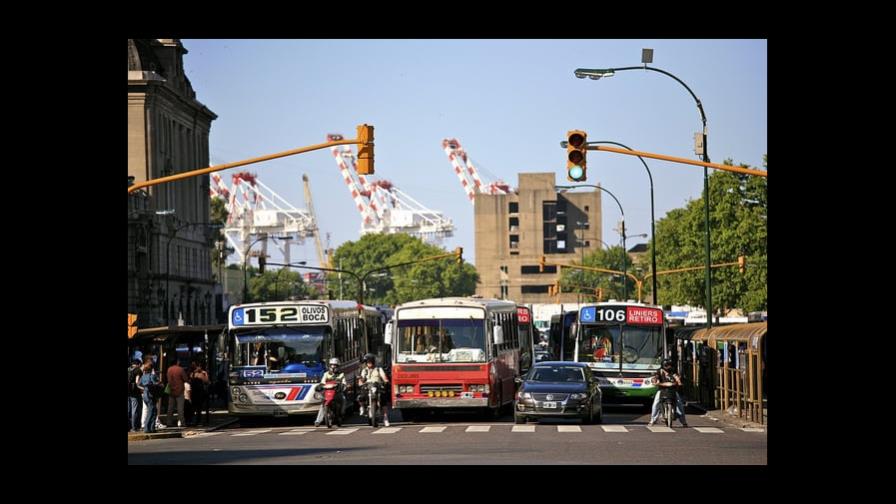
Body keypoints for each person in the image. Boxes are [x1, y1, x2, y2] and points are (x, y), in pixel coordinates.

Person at [647, 359, 688, 427]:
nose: (668, 367)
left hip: (672, 390)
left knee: (679, 404)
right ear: (663, 366)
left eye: (669, 365)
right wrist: (655, 381)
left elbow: (676, 377)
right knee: (655, 403)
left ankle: (683, 421)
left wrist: (679, 381)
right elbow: (655, 377)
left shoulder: (673, 371)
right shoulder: (659, 371)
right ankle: (652, 420)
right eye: (667, 366)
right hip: (662, 390)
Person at [357, 353, 390, 427]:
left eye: (370, 362)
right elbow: (361, 380)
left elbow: (384, 377)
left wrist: (386, 381)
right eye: (367, 362)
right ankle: (362, 407)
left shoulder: (378, 369)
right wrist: (360, 380)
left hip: (377, 386)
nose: (368, 363)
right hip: (367, 386)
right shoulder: (364, 370)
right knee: (360, 397)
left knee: (384, 399)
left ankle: (385, 418)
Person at [314, 358, 347, 427]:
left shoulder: (341, 374)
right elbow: (322, 382)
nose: (333, 367)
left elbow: (344, 383)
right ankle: (318, 421)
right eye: (332, 365)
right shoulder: (326, 374)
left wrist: (342, 386)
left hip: (337, 393)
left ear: (338, 366)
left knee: (343, 399)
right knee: (323, 404)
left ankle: (341, 414)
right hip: (327, 393)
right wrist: (319, 386)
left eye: (335, 365)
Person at [137, 357, 160, 433]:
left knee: (152, 410)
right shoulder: (152, 376)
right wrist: (159, 383)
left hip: (145, 395)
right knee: (152, 411)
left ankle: (151, 428)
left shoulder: (143, 377)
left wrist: (144, 388)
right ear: (151, 369)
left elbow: (138, 385)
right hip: (151, 395)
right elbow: (155, 384)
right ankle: (148, 428)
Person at [165, 359, 189, 428]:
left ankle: (169, 422)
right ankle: (182, 422)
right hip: (179, 390)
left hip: (171, 390)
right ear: (177, 362)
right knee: (180, 408)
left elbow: (168, 379)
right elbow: (186, 379)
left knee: (170, 408)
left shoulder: (169, 369)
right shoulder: (180, 369)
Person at [188, 361, 210, 426]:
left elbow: (206, 381)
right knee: (194, 407)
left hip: (200, 392)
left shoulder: (203, 373)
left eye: (199, 366)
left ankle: (198, 420)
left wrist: (204, 375)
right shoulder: (193, 373)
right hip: (195, 391)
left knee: (199, 407)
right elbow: (190, 380)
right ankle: (194, 420)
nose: (198, 368)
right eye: (198, 367)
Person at [128, 359, 144, 432]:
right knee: (135, 409)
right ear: (139, 364)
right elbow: (137, 382)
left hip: (128, 392)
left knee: (129, 409)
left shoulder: (129, 369)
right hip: (135, 392)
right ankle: (134, 427)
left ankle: (129, 426)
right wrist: (142, 388)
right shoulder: (138, 370)